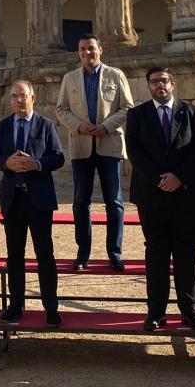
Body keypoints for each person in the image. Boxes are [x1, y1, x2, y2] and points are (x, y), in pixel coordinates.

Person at [125, 67, 195, 332]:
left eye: (164, 80)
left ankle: (190, 311)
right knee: (156, 254)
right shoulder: (137, 115)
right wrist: (160, 180)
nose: (160, 85)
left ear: (173, 84)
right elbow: (134, 151)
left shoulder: (193, 112)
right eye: (154, 82)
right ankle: (156, 312)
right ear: (148, 86)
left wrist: (179, 178)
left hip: (187, 195)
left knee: (188, 254)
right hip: (152, 195)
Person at [0, 80, 65, 327]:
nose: (18, 100)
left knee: (45, 254)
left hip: (39, 199)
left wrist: (38, 164)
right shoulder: (2, 127)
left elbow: (59, 157)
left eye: (23, 96)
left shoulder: (46, 125)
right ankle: (16, 305)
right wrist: (6, 163)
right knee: (14, 255)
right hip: (13, 198)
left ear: (33, 97)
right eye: (14, 96)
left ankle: (50, 307)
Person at [55, 34, 133, 272]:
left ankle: (115, 253)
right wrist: (79, 125)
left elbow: (127, 107)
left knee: (114, 202)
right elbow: (61, 109)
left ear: (100, 49)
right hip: (81, 145)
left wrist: (106, 126)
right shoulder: (70, 79)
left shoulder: (115, 75)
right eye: (82, 49)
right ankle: (82, 253)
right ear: (78, 53)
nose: (87, 53)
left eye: (91, 48)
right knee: (81, 202)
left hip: (108, 143)